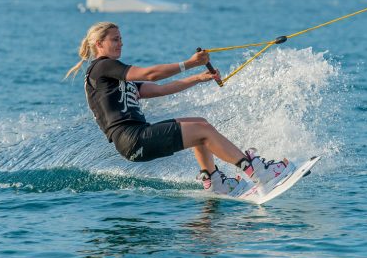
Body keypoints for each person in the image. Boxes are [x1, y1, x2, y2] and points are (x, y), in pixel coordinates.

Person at [65, 22, 290, 196]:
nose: (121, 43)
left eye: (121, 39)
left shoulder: (115, 79)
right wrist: (189, 62)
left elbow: (160, 89)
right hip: (132, 139)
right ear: (99, 45)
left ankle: (215, 182)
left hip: (137, 135)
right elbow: (150, 74)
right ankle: (256, 172)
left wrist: (199, 77)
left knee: (199, 124)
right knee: (202, 132)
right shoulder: (102, 66)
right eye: (115, 39)